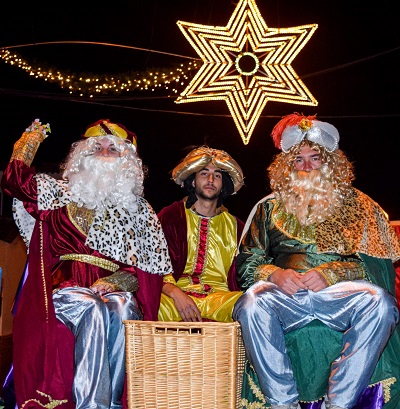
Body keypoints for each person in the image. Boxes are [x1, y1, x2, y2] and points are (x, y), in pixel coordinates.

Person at [1, 119, 172, 409]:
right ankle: (92, 404)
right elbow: (14, 183)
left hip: (110, 286)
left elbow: (146, 266)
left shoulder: (138, 210)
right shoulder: (59, 193)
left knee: (123, 307)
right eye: (97, 147)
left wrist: (117, 282)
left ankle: (114, 400)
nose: (104, 153)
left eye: (113, 149)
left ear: (127, 161)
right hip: (62, 286)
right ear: (82, 155)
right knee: (91, 305)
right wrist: (29, 141)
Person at [232, 113, 400, 409]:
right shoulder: (268, 207)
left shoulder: (360, 206)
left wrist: (334, 273)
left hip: (339, 297)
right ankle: (283, 403)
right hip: (287, 298)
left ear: (330, 163)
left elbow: (376, 267)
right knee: (252, 301)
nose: (307, 167)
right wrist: (274, 274)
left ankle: (340, 403)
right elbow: (247, 263)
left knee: (381, 302)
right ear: (287, 167)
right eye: (299, 160)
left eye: (315, 158)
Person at [157, 146, 245, 322]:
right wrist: (175, 293)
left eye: (217, 175)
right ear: (193, 181)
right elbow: (153, 266)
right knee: (150, 303)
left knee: (252, 303)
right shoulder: (170, 217)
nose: (211, 179)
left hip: (220, 300)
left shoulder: (237, 227)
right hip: (174, 298)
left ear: (223, 185)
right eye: (204, 173)